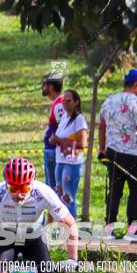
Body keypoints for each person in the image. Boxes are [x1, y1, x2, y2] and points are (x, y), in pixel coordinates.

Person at [98, 69, 137, 236]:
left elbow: (102, 126)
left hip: (113, 153)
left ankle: (109, 226)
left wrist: (102, 148)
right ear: (135, 84)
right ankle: (133, 229)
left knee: (114, 191)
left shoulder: (109, 101)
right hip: (134, 154)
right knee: (136, 192)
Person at [50, 89, 88, 218]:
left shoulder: (79, 119)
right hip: (60, 161)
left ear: (76, 102)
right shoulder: (65, 118)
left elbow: (82, 143)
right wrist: (54, 140)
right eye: (63, 100)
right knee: (59, 197)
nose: (65, 103)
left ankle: (71, 229)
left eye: (69, 100)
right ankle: (61, 227)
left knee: (68, 197)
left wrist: (60, 141)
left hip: (71, 164)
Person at [42, 75, 65, 190]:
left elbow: (63, 127)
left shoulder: (59, 104)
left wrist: (55, 139)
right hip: (52, 150)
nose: (42, 87)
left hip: (53, 151)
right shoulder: (58, 103)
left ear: (51, 87)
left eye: (44, 84)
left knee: (52, 190)